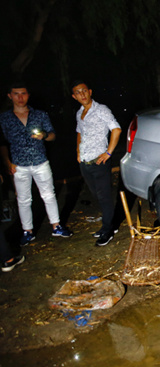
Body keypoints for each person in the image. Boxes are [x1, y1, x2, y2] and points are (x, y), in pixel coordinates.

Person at [0, 82, 73, 246]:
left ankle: (56, 226)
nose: (20, 97)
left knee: (49, 194)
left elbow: (53, 135)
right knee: (24, 199)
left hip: (40, 161)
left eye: (23, 93)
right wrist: (7, 163)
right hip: (18, 165)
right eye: (16, 94)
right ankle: (27, 231)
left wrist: (44, 136)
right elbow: (2, 143)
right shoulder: (4, 118)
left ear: (28, 95)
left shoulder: (39, 115)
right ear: (10, 96)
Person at [71, 80, 121, 246]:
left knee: (104, 197)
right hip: (85, 161)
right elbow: (79, 132)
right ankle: (110, 224)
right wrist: (78, 152)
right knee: (97, 196)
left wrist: (108, 152)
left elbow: (116, 129)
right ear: (74, 96)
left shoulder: (101, 110)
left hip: (100, 161)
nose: (82, 94)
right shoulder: (80, 113)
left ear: (90, 91)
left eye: (84, 90)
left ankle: (107, 231)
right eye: (78, 92)